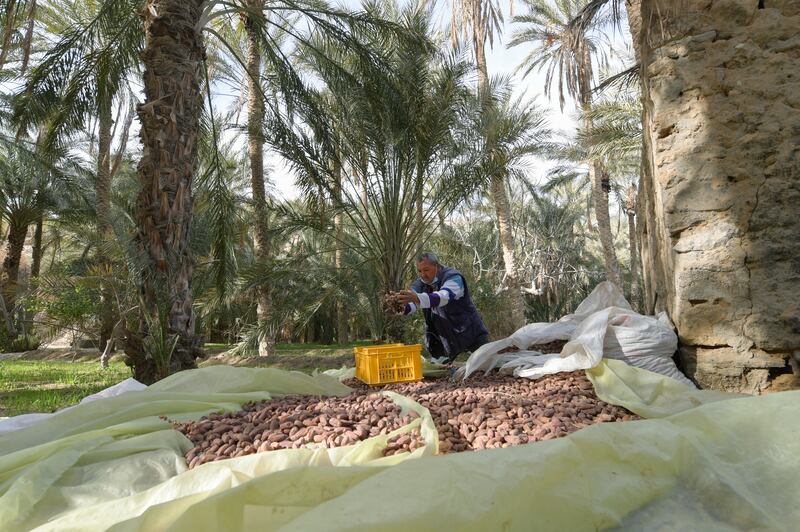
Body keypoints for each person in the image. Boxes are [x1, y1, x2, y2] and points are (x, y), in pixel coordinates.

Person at [394, 252, 489, 364]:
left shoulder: (453, 277)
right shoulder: (420, 284)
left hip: (471, 336)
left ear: (437, 266)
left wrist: (416, 297)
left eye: (426, 270)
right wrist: (398, 308)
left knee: (484, 368)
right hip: (446, 341)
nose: (423, 275)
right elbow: (412, 305)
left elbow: (443, 297)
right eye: (419, 271)